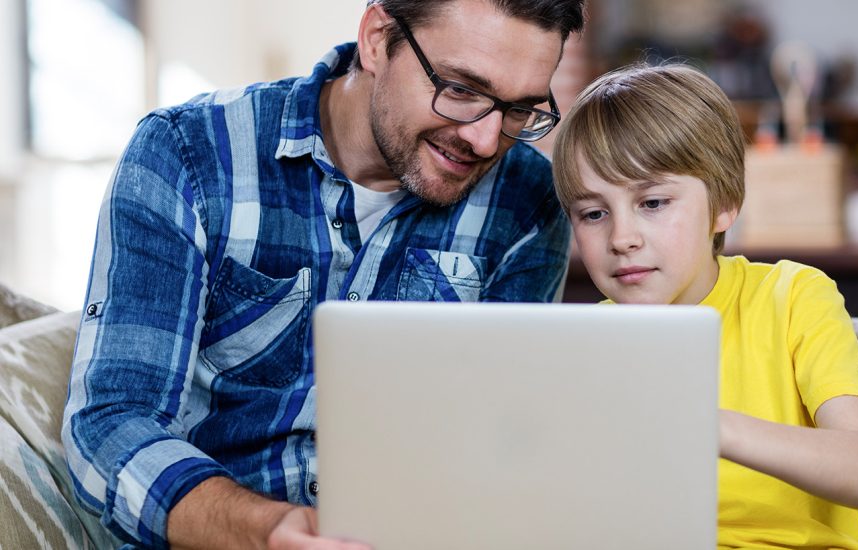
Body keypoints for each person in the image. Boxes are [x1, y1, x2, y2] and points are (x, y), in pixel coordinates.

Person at [61, 0, 585, 547]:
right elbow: (111, 420)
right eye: (461, 90)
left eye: (520, 110)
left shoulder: (530, 202)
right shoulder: (189, 154)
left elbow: (500, 445)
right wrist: (263, 531)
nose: (484, 140)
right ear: (378, 39)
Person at [551, 64, 858, 549]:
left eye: (652, 202)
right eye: (593, 213)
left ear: (724, 204)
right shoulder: (579, 347)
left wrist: (707, 424)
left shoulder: (792, 296)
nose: (622, 238)